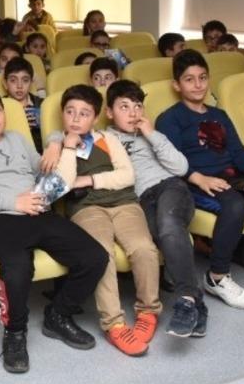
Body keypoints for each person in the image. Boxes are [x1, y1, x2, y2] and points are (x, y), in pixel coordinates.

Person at [0, 88, 105, 373]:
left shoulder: (19, 140)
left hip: (37, 211)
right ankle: (15, 333)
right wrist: (14, 202)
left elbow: (42, 167)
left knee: (95, 256)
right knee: (18, 266)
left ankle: (58, 315)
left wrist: (57, 142)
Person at [157, 50, 244, 307]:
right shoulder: (169, 119)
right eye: (189, 79)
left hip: (232, 177)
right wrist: (200, 179)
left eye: (202, 77)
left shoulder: (219, 115)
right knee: (234, 205)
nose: (198, 84)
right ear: (177, 85)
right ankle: (217, 276)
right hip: (196, 182)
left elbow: (237, 150)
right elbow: (170, 161)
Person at [46, 85, 161, 357]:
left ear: (95, 117)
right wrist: (68, 146)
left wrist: (90, 180)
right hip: (86, 208)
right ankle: (114, 323)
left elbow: (127, 176)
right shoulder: (57, 145)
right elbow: (60, 185)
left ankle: (148, 310)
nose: (76, 118)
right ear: (62, 114)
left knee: (144, 248)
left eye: (84, 113)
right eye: (70, 111)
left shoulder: (108, 139)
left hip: (124, 203)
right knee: (103, 255)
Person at [101, 80, 204, 338]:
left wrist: (152, 135)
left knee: (169, 226)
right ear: (109, 112)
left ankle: (186, 300)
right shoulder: (103, 138)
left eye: (137, 106)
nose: (133, 113)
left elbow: (181, 168)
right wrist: (58, 141)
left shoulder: (153, 135)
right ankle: (198, 305)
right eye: (124, 107)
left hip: (170, 187)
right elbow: (65, 136)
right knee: (157, 234)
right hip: (140, 200)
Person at [1, 57, 42, 151]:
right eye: (13, 80)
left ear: (31, 83)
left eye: (25, 80)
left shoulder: (42, 105)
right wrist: (18, 125)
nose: (19, 86)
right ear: (5, 83)